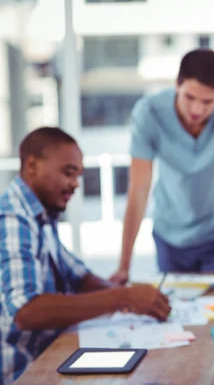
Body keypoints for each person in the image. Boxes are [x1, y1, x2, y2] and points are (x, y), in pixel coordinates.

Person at [0, 127, 171, 385]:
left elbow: (78, 276)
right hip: (24, 373)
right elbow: (27, 311)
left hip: (50, 357)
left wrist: (130, 299)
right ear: (32, 165)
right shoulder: (13, 218)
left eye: (78, 175)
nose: (75, 184)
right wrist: (123, 297)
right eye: (68, 172)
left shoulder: (40, 215)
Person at [109, 49, 214, 285]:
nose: (197, 110)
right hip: (171, 237)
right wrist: (123, 266)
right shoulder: (149, 112)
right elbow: (139, 189)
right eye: (189, 97)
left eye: (208, 101)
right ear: (177, 85)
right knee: (178, 314)